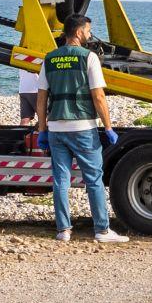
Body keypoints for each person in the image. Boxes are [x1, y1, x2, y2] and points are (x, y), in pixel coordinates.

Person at [33, 14, 129, 244]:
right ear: (77, 32)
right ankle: (102, 230)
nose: (88, 34)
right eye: (87, 30)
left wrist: (42, 129)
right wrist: (108, 127)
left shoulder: (50, 59)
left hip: (56, 128)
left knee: (60, 181)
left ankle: (63, 230)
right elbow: (98, 95)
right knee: (94, 179)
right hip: (83, 127)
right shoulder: (89, 57)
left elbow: (41, 98)